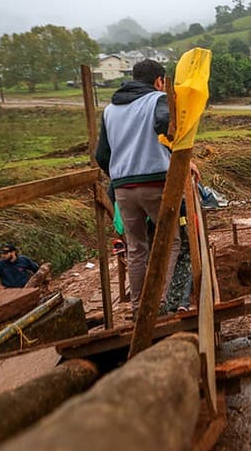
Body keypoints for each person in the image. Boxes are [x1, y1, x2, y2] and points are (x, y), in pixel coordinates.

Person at [95, 59, 182, 313]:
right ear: (159, 81)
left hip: (123, 188)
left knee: (136, 249)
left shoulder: (110, 109)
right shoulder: (157, 100)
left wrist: (121, 173)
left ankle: (137, 307)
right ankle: (160, 303)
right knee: (170, 241)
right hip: (155, 181)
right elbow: (168, 129)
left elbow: (101, 155)